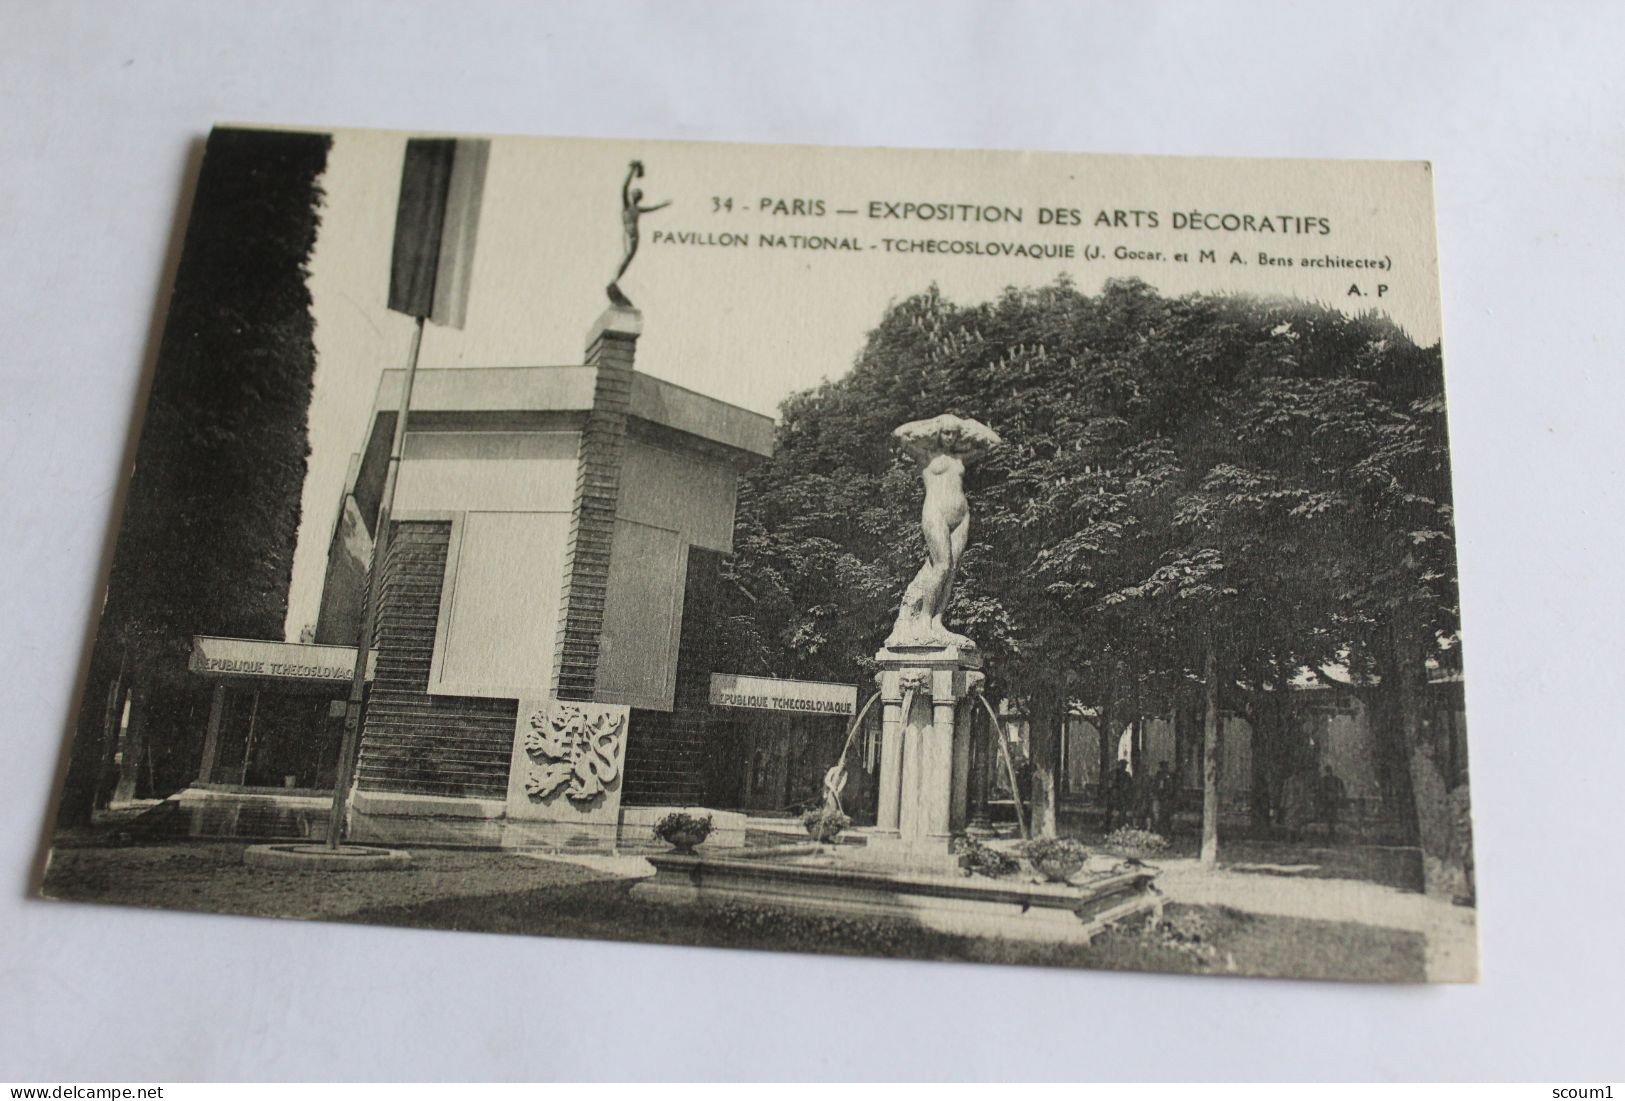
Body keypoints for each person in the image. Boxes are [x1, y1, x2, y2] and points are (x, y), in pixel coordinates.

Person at [607, 160, 671, 306]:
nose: (636, 196)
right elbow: (624, 186)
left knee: (628, 258)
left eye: (638, 195)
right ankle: (614, 280)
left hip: (636, 235)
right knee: (627, 256)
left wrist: (663, 205)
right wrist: (632, 171)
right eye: (634, 194)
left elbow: (651, 208)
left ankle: (615, 279)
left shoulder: (637, 209)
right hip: (629, 233)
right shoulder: (626, 205)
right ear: (631, 196)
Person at [1315, 764, 1348, 843]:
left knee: (1331, 819)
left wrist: (1340, 798)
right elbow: (1319, 791)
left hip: (1332, 802)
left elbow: (1343, 790)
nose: (1328, 773)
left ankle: (1331, 836)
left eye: (1328, 771)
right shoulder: (1323, 780)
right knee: (1327, 819)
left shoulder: (1336, 780)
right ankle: (1327, 836)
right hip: (1326, 802)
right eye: (1327, 771)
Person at [1103, 759, 1133, 831]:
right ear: (1119, 765)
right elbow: (1109, 783)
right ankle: (1107, 826)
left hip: (1121, 795)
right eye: (1122, 765)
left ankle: (1120, 826)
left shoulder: (1127, 775)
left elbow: (1129, 785)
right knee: (1110, 810)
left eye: (1125, 765)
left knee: (1122, 811)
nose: (1124, 766)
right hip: (1114, 794)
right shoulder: (1114, 773)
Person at [1151, 760, 1177, 836]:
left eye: (1166, 767)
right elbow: (1155, 786)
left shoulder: (1169, 776)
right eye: (1163, 767)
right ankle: (1159, 831)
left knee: (1166, 815)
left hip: (1166, 797)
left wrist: (1168, 794)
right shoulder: (1158, 775)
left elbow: (1171, 787)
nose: (1165, 768)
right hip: (1159, 797)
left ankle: (1166, 831)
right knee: (1159, 815)